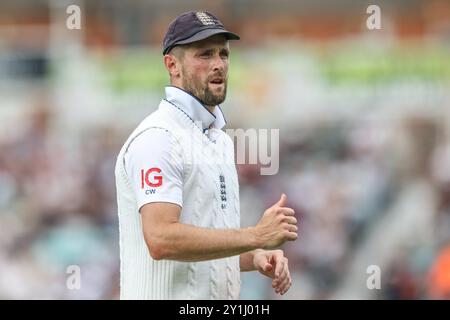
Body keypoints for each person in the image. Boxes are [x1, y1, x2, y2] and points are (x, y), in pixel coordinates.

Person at [115, 11, 298, 300]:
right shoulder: (158, 138)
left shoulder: (219, 140)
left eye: (223, 54)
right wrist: (256, 236)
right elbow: (161, 239)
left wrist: (254, 255)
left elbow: (202, 250)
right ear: (172, 65)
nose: (218, 65)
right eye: (204, 55)